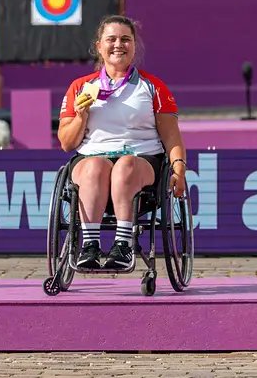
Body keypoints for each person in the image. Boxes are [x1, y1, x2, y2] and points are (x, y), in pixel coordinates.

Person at [58, 15, 187, 271]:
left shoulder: (153, 87)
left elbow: (171, 136)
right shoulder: (80, 87)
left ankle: (124, 245)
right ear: (99, 46)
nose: (119, 44)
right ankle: (90, 246)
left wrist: (179, 168)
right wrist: (81, 116)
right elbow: (66, 143)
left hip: (141, 159)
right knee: (95, 166)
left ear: (134, 46)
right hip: (92, 158)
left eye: (126, 39)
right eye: (112, 39)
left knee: (125, 165)